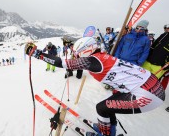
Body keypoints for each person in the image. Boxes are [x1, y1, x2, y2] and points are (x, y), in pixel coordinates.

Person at [24, 38, 165, 136]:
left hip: (148, 94)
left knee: (101, 108)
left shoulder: (93, 61)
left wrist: (37, 54)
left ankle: (105, 134)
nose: (77, 56)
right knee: (111, 104)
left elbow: (62, 63)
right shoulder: (102, 56)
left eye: (78, 53)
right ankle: (109, 131)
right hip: (151, 86)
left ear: (86, 50)